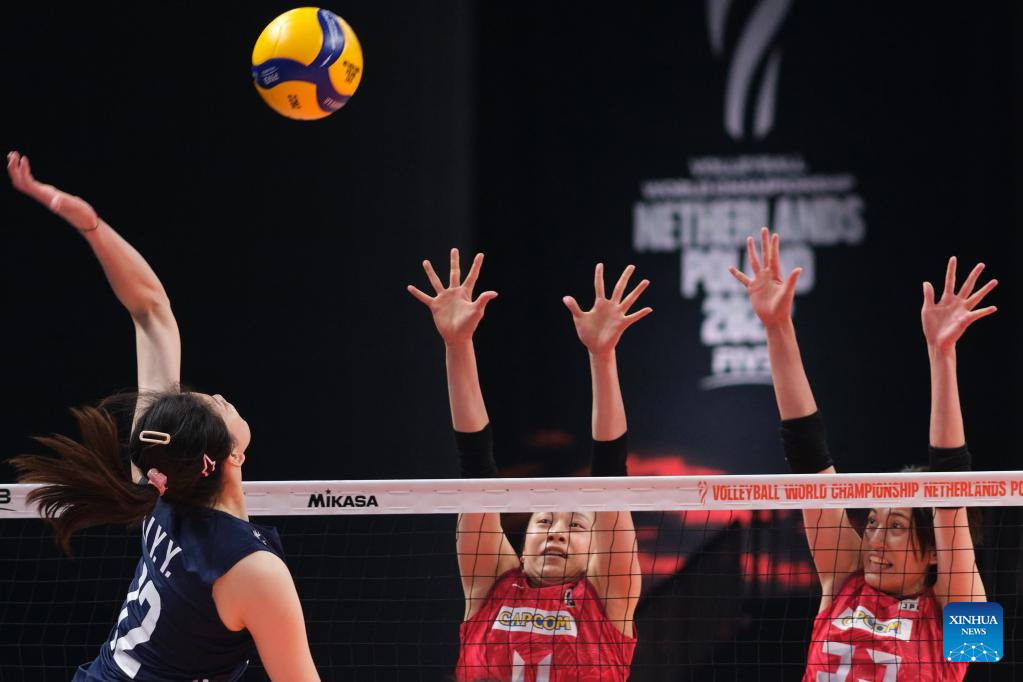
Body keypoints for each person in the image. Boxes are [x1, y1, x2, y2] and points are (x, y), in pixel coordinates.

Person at [7, 151, 319, 682]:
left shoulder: (160, 484)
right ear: (228, 456)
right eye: (215, 406)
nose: (217, 395)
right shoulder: (252, 569)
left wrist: (89, 223)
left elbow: (152, 312)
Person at [729, 228, 993, 681]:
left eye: (896, 526)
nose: (874, 540)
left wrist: (942, 354)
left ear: (934, 552)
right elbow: (808, 459)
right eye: (871, 522)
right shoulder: (844, 577)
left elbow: (951, 486)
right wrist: (777, 327)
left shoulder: (962, 615)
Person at [408, 250, 647, 681]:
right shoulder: (492, 582)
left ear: (597, 551)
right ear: (523, 539)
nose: (556, 532)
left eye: (576, 526)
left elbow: (611, 477)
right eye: (544, 521)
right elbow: (476, 469)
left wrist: (603, 356)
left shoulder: (607, 598)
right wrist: (457, 345)